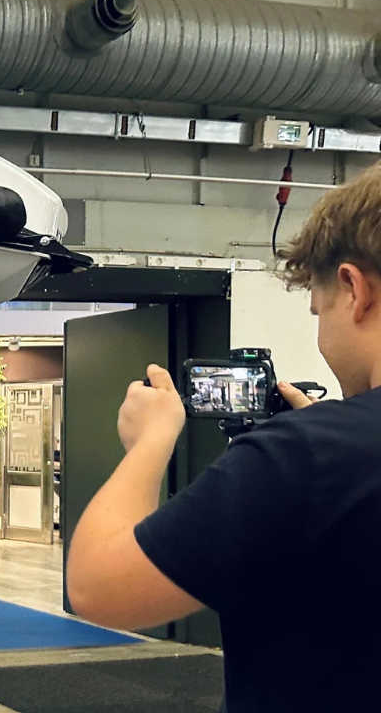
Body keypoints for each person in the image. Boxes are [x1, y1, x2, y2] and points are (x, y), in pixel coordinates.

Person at [66, 165, 381, 712]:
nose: (321, 333)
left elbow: (99, 587)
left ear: (354, 291)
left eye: (319, 310)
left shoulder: (310, 456)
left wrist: (150, 444)